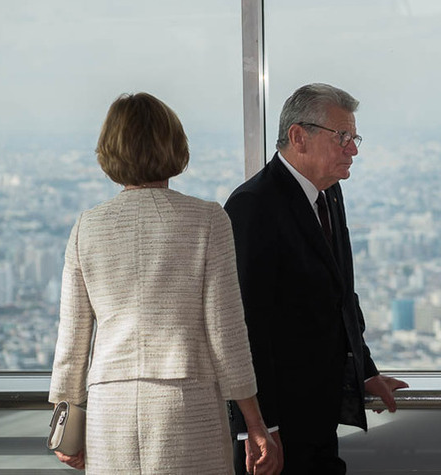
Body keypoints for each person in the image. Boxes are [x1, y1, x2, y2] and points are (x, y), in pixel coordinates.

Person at [49, 93, 279, 474]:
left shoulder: (86, 228)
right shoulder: (208, 220)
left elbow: (71, 341)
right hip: (186, 408)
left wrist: (64, 423)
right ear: (174, 144)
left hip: (110, 410)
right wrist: (255, 423)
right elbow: (226, 334)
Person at [225, 83, 408, 474]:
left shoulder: (330, 194)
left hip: (319, 415)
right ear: (298, 137)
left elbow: (341, 298)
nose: (353, 149)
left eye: (354, 137)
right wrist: (259, 427)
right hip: (277, 428)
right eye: (342, 137)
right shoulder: (254, 206)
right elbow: (246, 327)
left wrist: (367, 371)